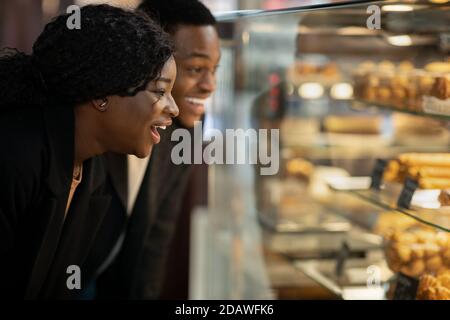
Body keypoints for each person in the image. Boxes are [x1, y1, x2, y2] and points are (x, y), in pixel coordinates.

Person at [0, 4, 178, 299]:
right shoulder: (15, 157)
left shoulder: (91, 171)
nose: (174, 109)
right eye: (160, 91)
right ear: (102, 96)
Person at [91, 0, 221, 299]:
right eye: (196, 68)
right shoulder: (95, 125)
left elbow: (154, 244)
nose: (210, 84)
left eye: (214, 69)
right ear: (144, 56)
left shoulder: (182, 134)